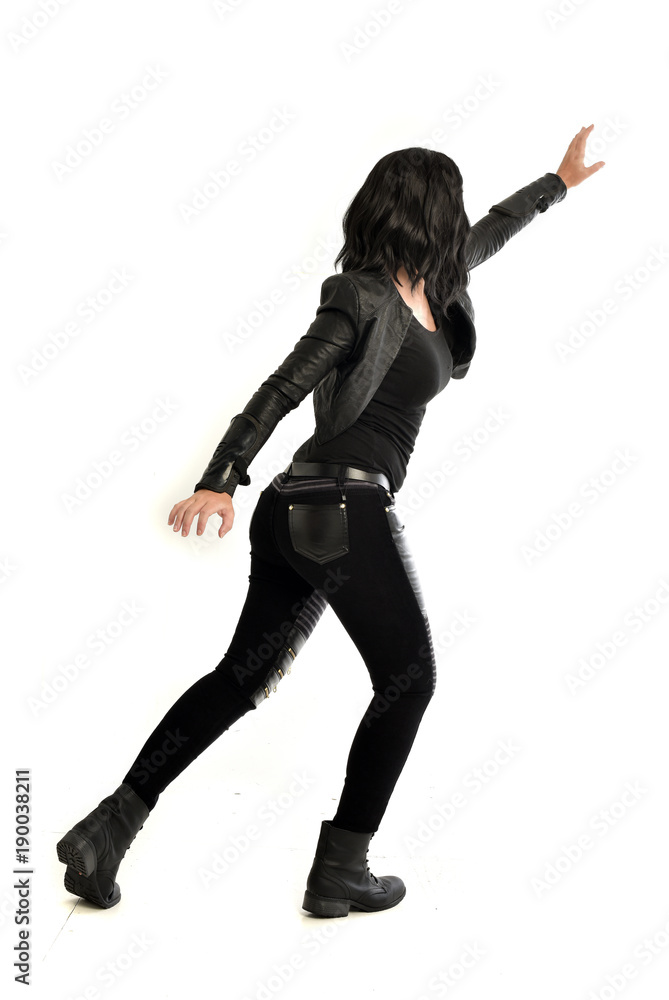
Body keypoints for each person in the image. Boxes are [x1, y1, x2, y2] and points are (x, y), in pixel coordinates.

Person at [56, 127, 604, 918]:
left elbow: (493, 230)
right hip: (339, 507)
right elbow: (283, 385)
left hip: (306, 512)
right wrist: (218, 480)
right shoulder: (360, 296)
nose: (460, 218)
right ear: (427, 210)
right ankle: (342, 867)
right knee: (409, 680)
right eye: (449, 202)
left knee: (240, 678)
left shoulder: (436, 288)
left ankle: (107, 830)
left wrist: (556, 183)